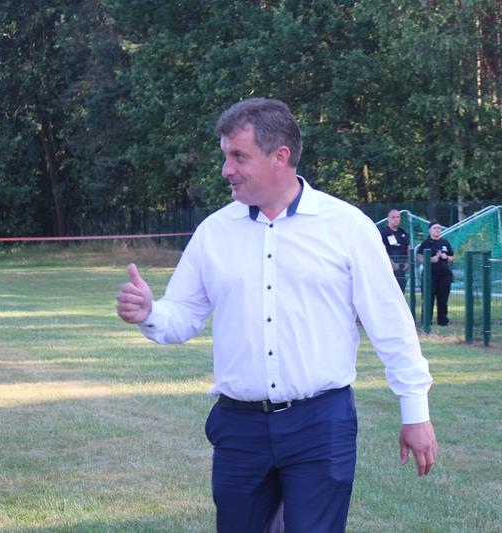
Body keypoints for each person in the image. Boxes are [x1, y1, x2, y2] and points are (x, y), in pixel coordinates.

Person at [117, 97, 438, 532]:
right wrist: (150, 312)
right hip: (239, 428)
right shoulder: (214, 232)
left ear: (280, 156)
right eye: (225, 156)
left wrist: (414, 411)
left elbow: (391, 323)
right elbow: (184, 315)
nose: (226, 170)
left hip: (320, 425)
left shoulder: (346, 227)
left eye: (239, 156)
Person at [416, 220, 455, 326]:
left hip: (444, 275)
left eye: (439, 228)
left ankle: (443, 321)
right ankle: (426, 321)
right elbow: (419, 257)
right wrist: (431, 259)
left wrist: (446, 257)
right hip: (430, 275)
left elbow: (452, 257)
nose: (437, 230)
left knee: (443, 298)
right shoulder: (426, 243)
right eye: (435, 228)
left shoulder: (445, 243)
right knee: (428, 298)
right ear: (430, 230)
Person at [380, 209, 411, 292]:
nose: (396, 219)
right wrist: (391, 263)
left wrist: (408, 263)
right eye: (393, 217)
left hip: (401, 269)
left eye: (398, 217)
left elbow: (408, 249)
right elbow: (382, 250)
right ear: (388, 219)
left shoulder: (403, 233)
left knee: (401, 291)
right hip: (387, 270)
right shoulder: (383, 233)